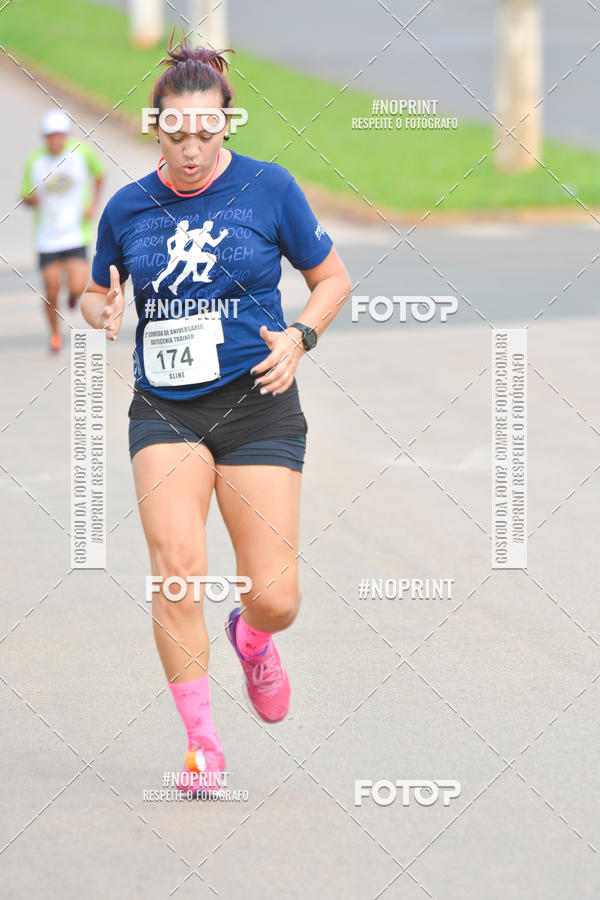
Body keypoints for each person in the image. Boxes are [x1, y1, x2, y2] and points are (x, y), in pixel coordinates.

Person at [80, 37, 352, 795]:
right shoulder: (129, 206)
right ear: (153, 126)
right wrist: (98, 305)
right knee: (176, 572)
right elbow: (95, 288)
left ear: (227, 124)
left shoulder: (270, 190)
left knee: (277, 596)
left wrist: (300, 336)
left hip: (258, 403)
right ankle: (201, 744)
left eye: (207, 132)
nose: (191, 148)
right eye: (176, 132)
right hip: (165, 410)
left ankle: (252, 637)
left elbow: (331, 279)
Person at [21, 109, 105, 353]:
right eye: (50, 135)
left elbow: (99, 173)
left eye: (59, 135)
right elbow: (25, 193)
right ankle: (55, 333)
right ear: (45, 137)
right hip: (47, 236)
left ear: (65, 135)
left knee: (79, 286)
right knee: (51, 289)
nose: (55, 140)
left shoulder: (80, 153)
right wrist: (31, 200)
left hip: (75, 232)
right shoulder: (35, 161)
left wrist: (93, 203)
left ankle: (72, 294)